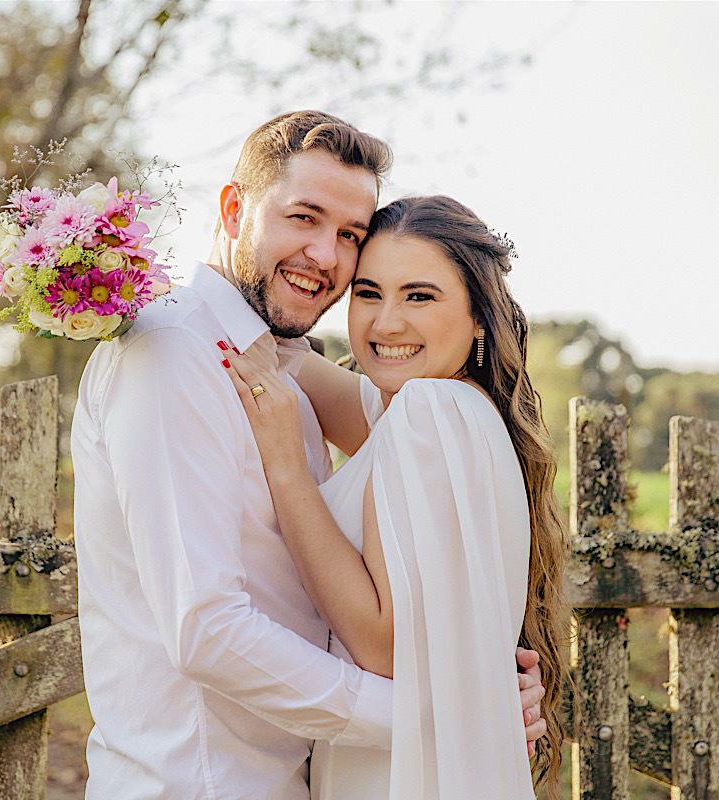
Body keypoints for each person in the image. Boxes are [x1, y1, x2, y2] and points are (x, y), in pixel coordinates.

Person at [70, 111, 548, 800]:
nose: (326, 255)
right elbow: (206, 629)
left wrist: (472, 672)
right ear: (234, 209)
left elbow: (412, 489)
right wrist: (443, 716)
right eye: (303, 217)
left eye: (350, 235)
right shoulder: (174, 352)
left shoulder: (289, 370)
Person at [221, 194, 570, 799]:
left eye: (420, 296)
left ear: (481, 317)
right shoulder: (456, 412)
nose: (386, 324)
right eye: (367, 293)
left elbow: (382, 648)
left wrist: (287, 468)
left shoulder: (427, 411)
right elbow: (281, 353)